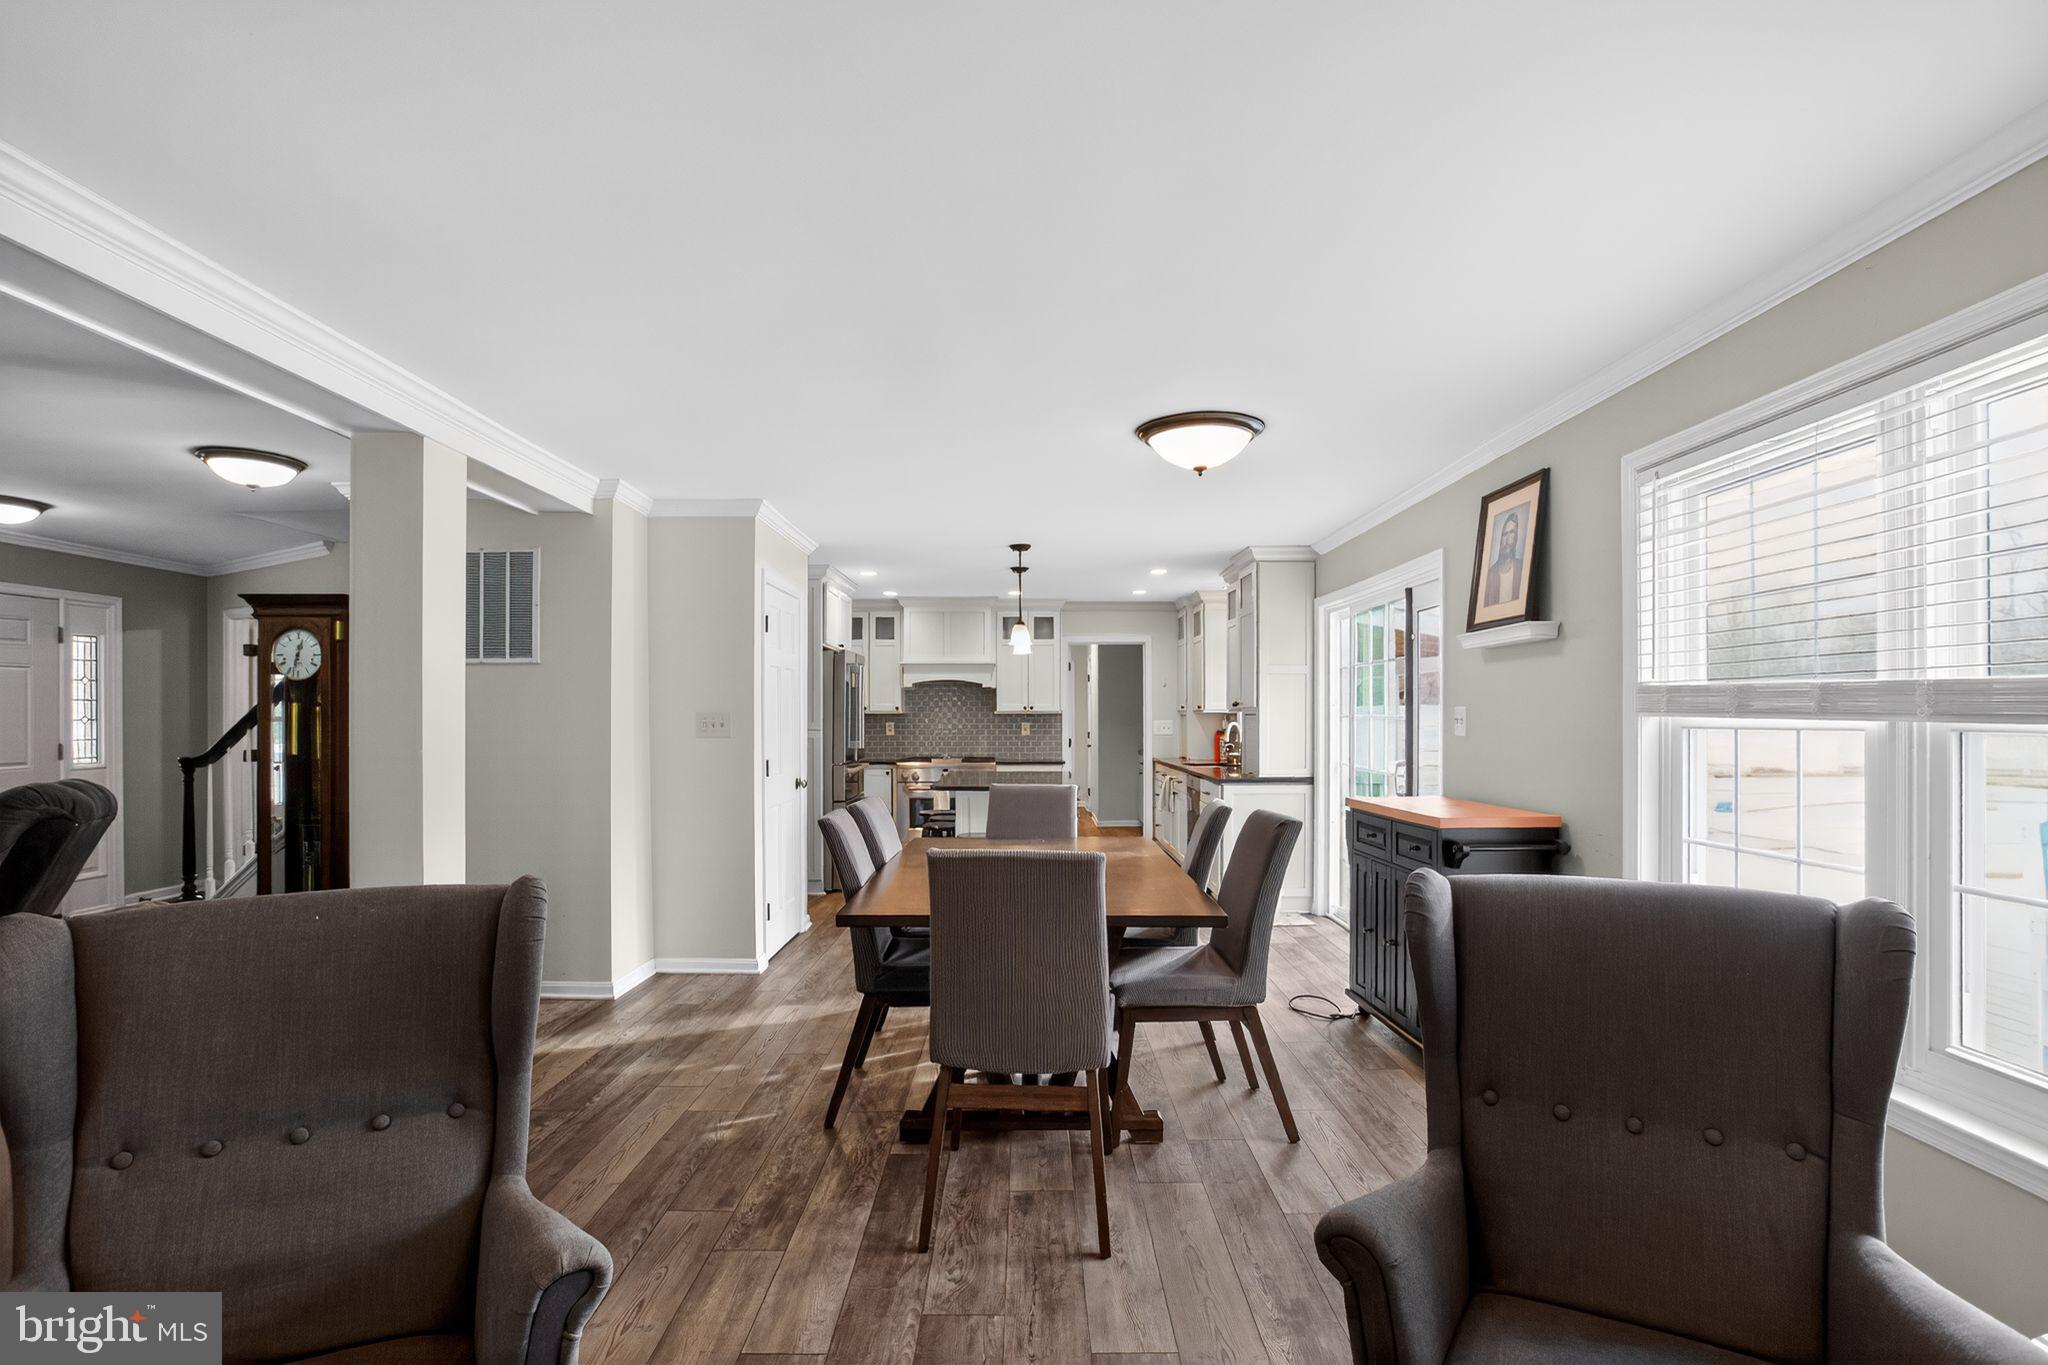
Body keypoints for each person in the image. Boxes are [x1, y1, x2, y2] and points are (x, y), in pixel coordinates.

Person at [1482, 506, 1525, 608]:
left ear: (1516, 537)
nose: (1508, 539)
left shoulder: (1522, 568)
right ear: (1500, 539)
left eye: (1512, 533)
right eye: (1505, 534)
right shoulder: (1490, 574)